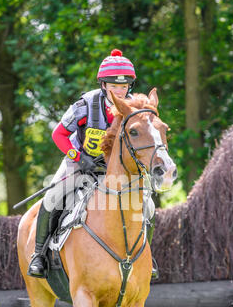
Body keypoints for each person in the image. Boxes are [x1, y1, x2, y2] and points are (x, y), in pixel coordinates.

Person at [28, 49, 158, 279]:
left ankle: (146, 256)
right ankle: (39, 255)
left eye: (125, 85)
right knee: (52, 198)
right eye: (114, 85)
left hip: (116, 169)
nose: (120, 90)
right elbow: (58, 135)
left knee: (147, 205)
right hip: (80, 162)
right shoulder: (85, 104)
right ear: (104, 84)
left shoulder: (134, 108)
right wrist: (79, 158)